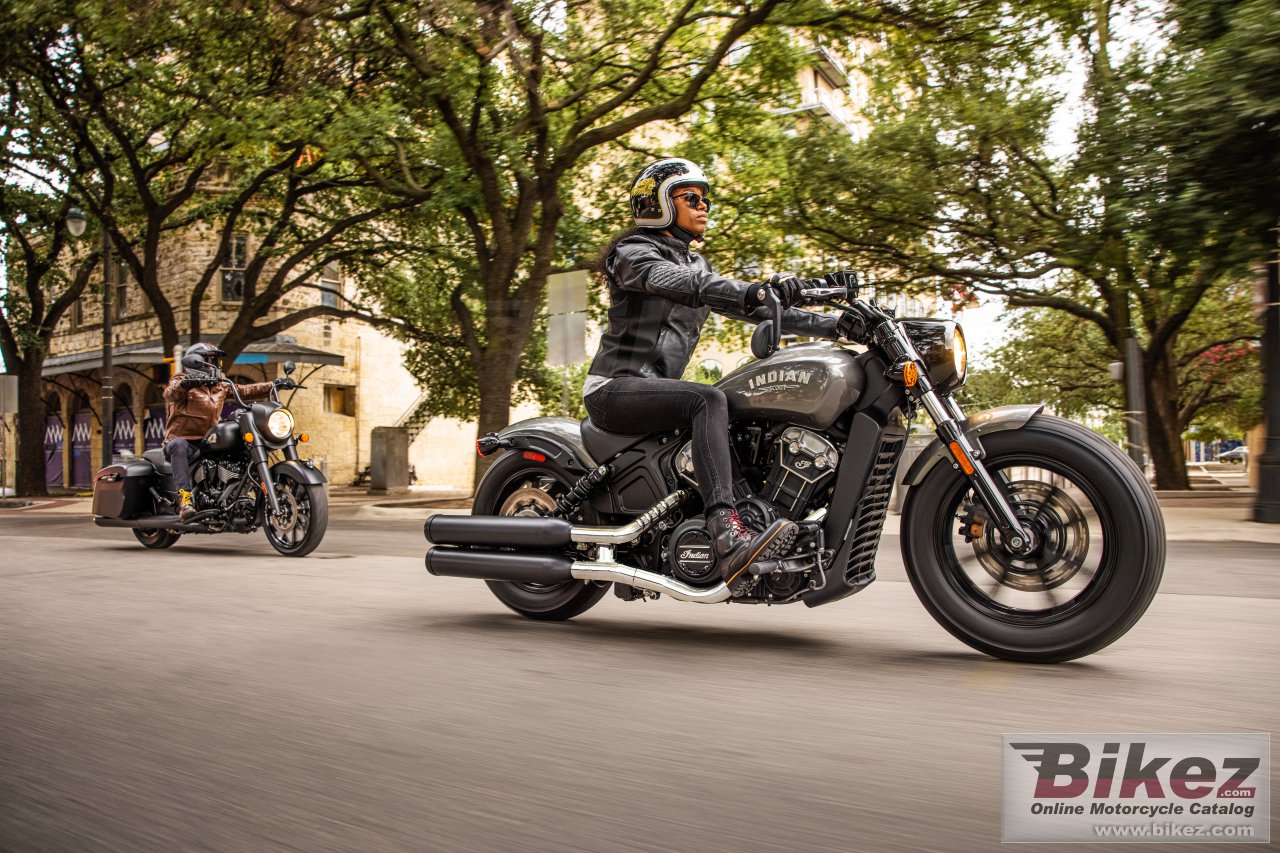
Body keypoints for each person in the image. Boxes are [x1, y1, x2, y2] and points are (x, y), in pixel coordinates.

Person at [583, 157, 853, 594]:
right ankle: (726, 531)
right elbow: (670, 280)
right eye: (691, 197)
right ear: (657, 204)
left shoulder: (698, 267)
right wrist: (752, 289)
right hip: (615, 390)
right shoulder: (631, 253)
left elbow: (759, 306)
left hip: (655, 392)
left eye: (705, 198)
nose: (703, 205)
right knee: (707, 398)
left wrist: (838, 325)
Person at [163, 343, 274, 519]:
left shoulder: (220, 384)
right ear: (196, 361)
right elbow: (170, 393)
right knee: (179, 445)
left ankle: (238, 494)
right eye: (210, 360)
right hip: (182, 441)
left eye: (215, 360)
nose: (214, 365)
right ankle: (185, 500)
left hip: (208, 440)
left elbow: (244, 390)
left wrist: (273, 385)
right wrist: (186, 384)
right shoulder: (181, 379)